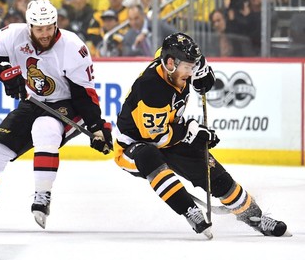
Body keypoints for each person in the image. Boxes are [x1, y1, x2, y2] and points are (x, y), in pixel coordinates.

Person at [0, 0, 113, 229]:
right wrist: (3, 72)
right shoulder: (13, 35)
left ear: (55, 24)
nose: (45, 34)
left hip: (68, 104)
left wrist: (96, 126)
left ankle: (42, 196)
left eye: (49, 28)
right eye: (39, 29)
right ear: (29, 27)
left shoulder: (73, 46)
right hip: (33, 101)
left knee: (44, 128)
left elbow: (84, 93)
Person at [114, 32, 290, 238]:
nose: (190, 72)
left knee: (213, 173)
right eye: (187, 67)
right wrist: (190, 131)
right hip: (134, 145)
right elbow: (156, 138)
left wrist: (203, 68)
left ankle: (255, 218)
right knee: (149, 156)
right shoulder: (151, 88)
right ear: (170, 64)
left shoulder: (172, 62)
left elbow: (180, 56)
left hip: (171, 134)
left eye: (192, 66)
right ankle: (189, 209)